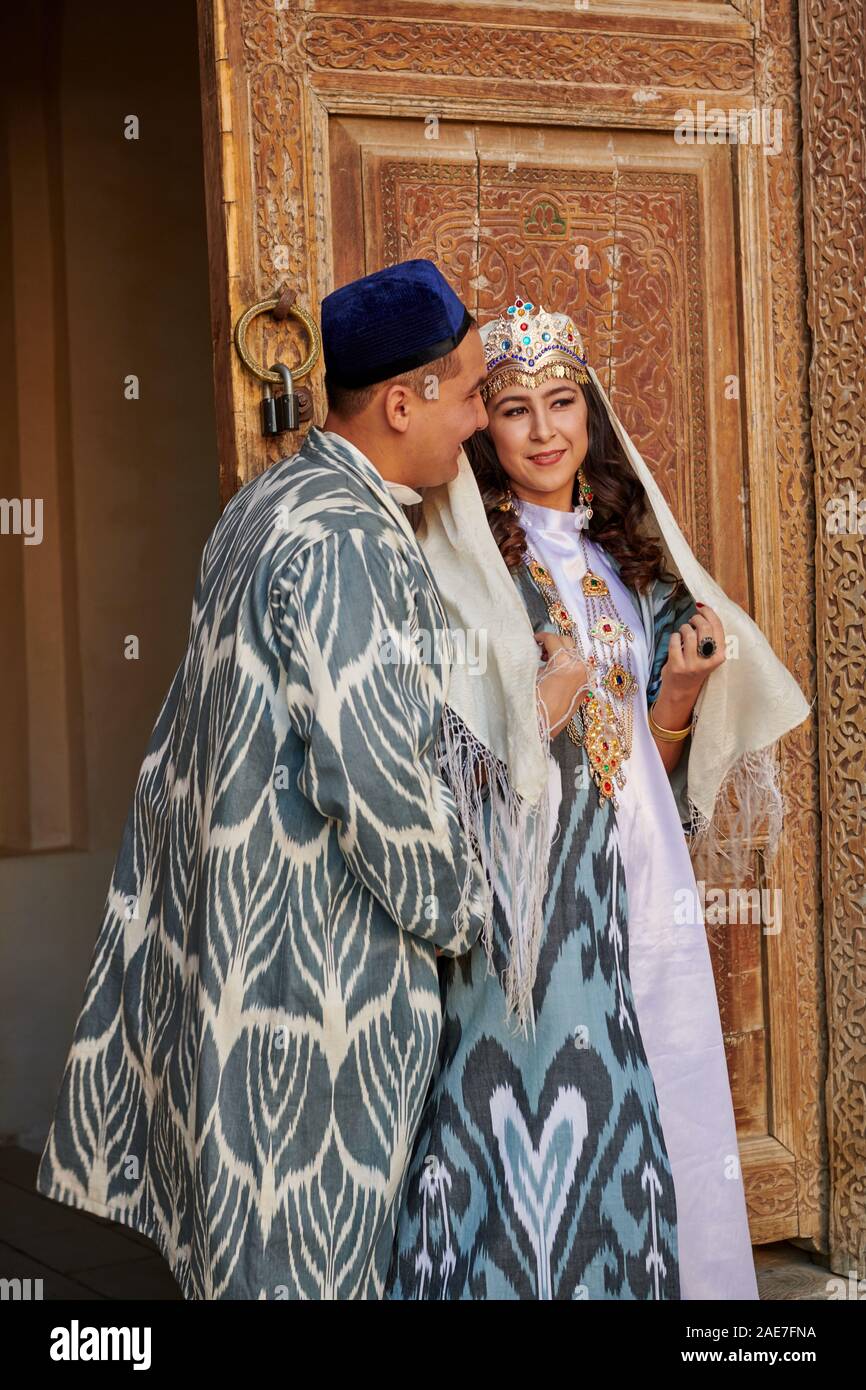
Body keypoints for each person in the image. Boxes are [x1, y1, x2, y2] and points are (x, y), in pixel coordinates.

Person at [35, 259, 525, 1300]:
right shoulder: (349, 538)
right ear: (404, 400)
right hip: (314, 993)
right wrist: (462, 913)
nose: (481, 420)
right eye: (473, 391)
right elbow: (379, 783)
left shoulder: (270, 501)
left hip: (237, 964)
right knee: (303, 1265)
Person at [385, 295, 811, 1300]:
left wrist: (678, 691)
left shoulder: (631, 561)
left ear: (590, 412)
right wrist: (531, 706)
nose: (543, 430)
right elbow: (424, 749)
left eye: (561, 402)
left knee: (662, 1081)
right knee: (537, 1112)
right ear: (481, 425)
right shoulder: (459, 563)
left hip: (641, 875)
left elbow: (645, 768)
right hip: (531, 893)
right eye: (515, 408)